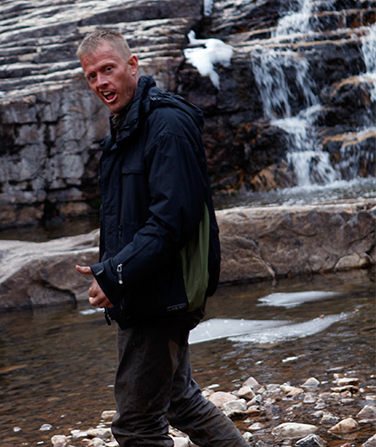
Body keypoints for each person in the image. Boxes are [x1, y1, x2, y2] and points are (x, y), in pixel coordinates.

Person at [74, 29, 249, 447]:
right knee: (179, 399)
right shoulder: (126, 127)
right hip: (145, 291)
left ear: (132, 65)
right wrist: (117, 276)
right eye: (91, 76)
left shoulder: (165, 126)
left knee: (137, 427)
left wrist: (114, 274)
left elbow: (173, 220)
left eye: (107, 70)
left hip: (160, 294)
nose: (100, 82)